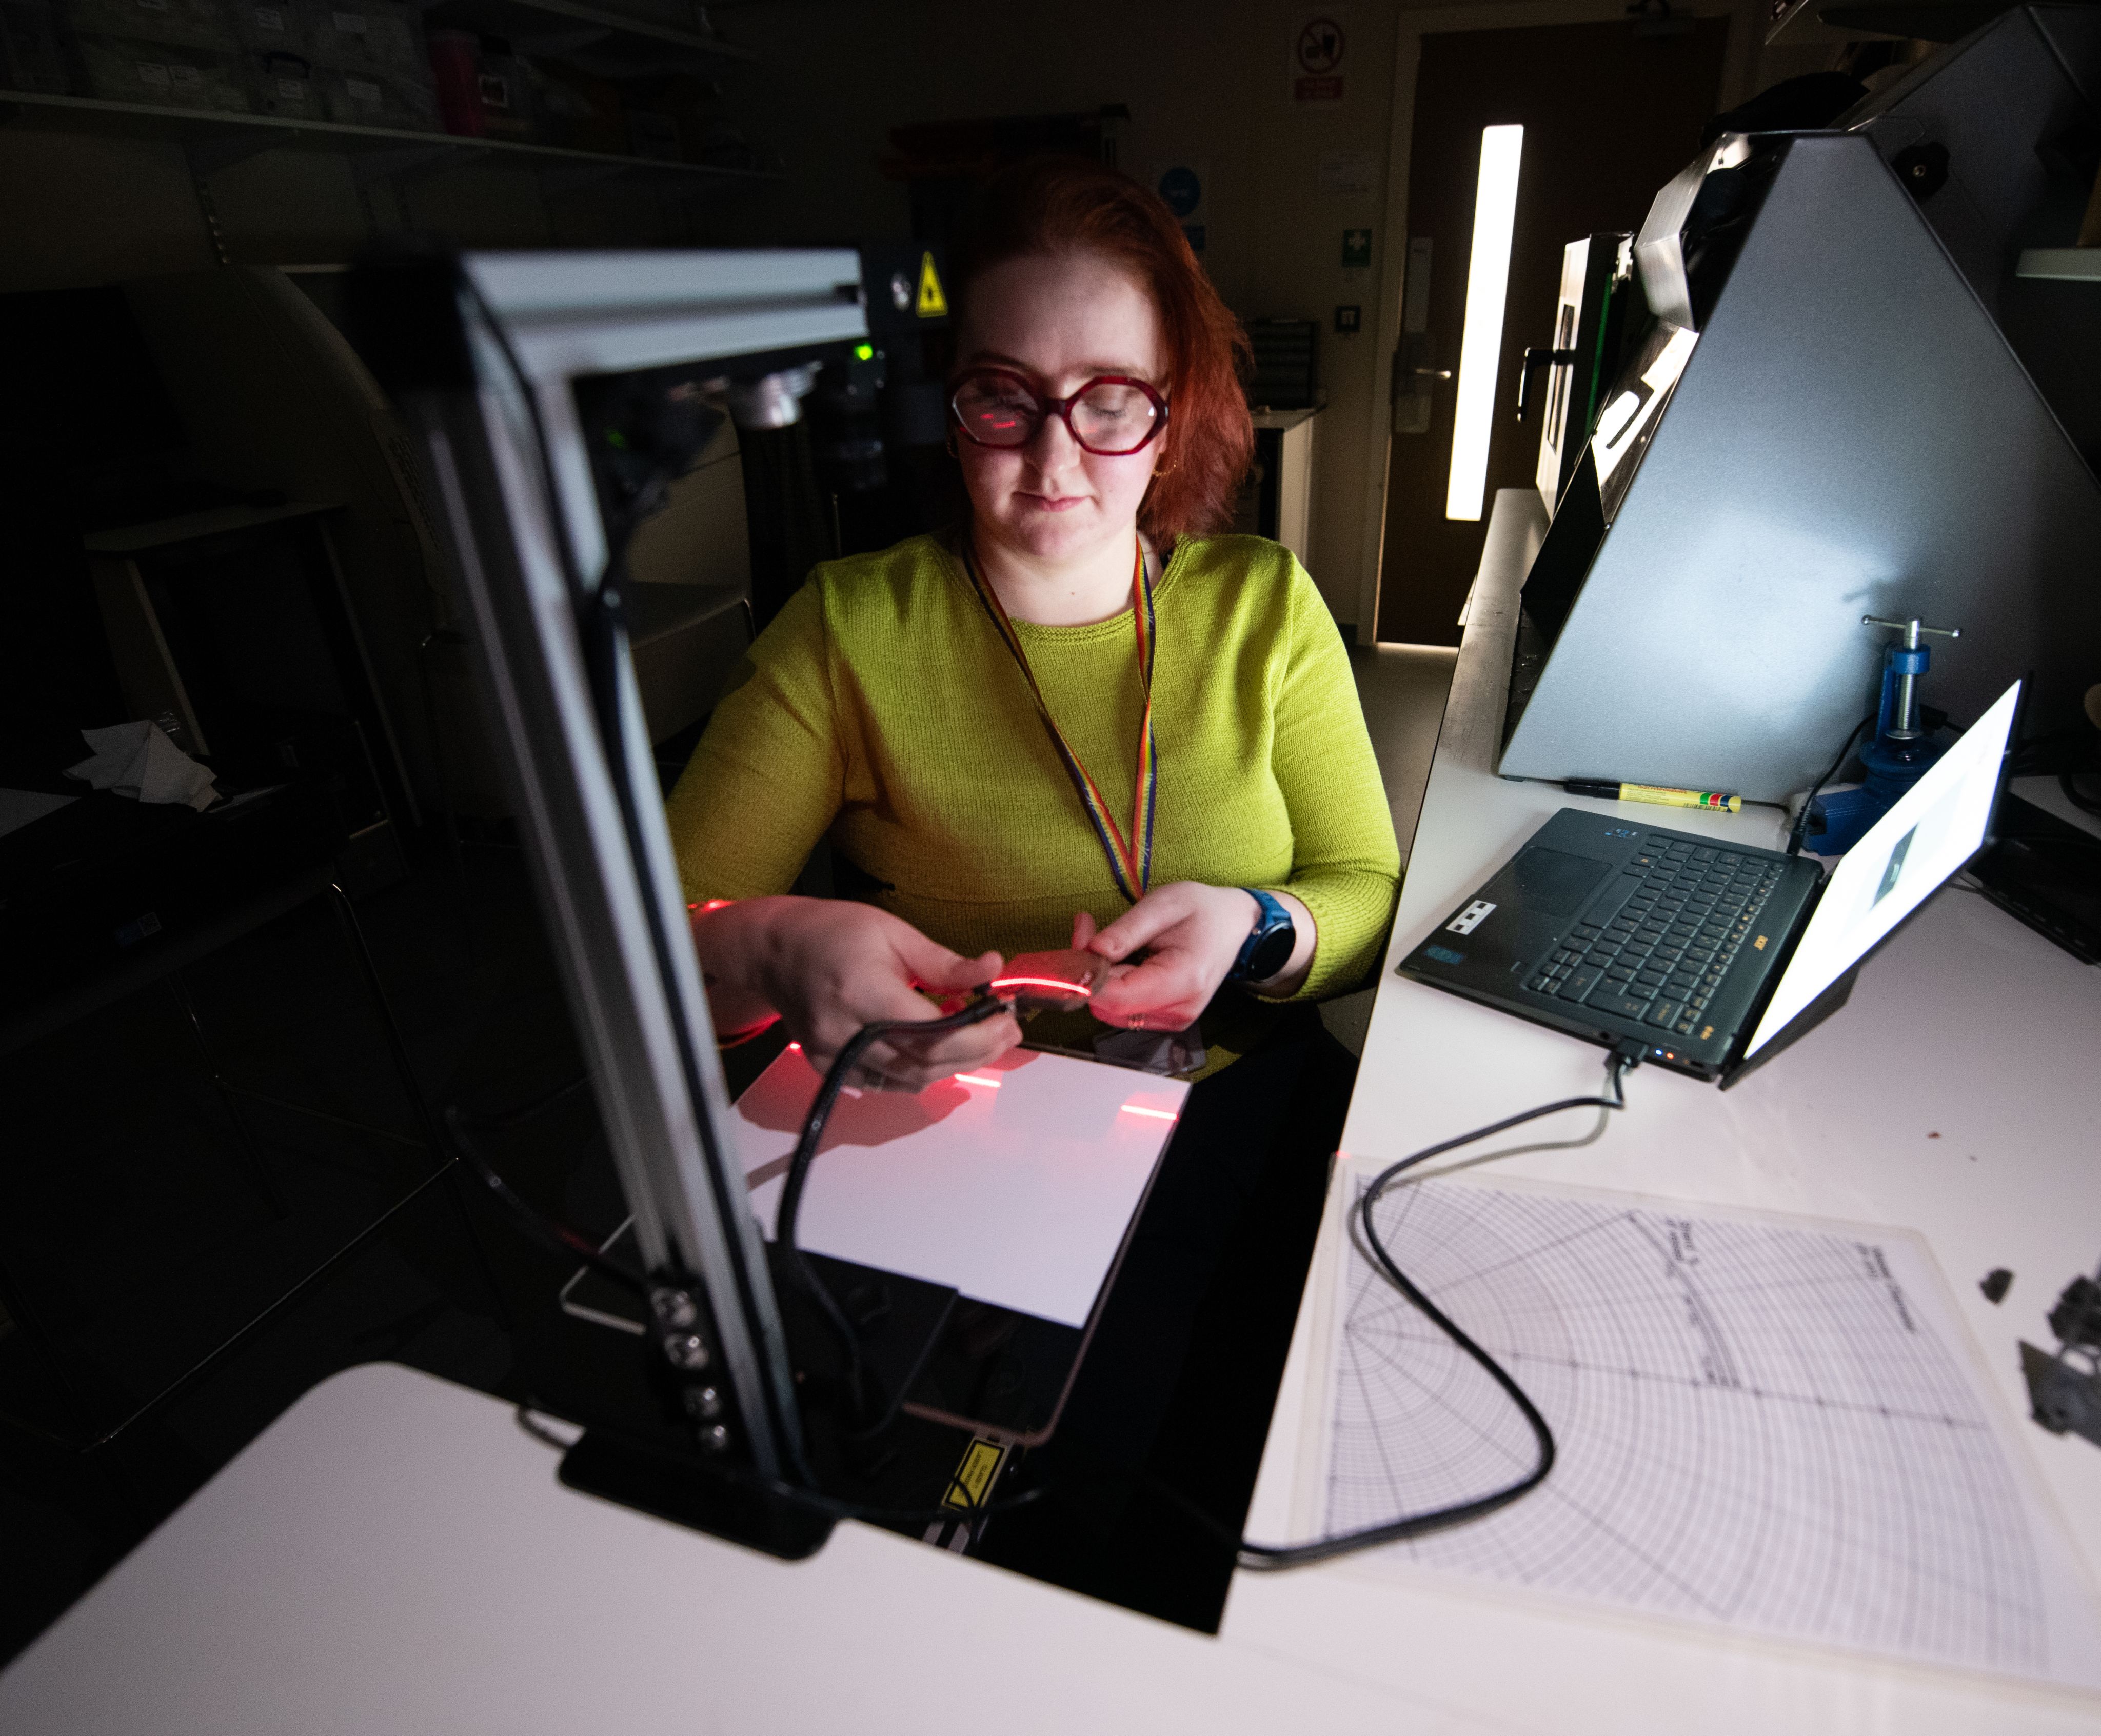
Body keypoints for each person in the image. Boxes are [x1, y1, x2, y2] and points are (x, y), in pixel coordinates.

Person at [667, 155, 1399, 1090]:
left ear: (1169, 422)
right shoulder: (844, 632)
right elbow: (652, 948)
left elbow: (1368, 891)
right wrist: (764, 943)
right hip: (967, 1126)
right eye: (1006, 397)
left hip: (1242, 1096)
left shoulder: (1266, 606)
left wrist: (1255, 926)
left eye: (1109, 399)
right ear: (950, 410)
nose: (1055, 457)